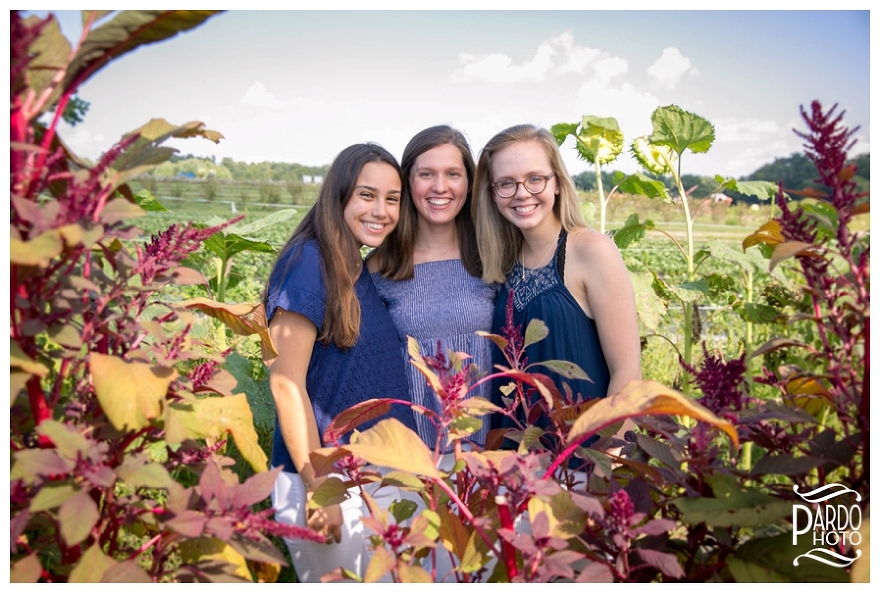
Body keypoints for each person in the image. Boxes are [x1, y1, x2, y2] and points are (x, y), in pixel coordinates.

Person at [264, 143, 419, 582]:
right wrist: (320, 487)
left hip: (367, 479)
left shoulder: (353, 264)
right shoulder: (308, 262)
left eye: (393, 199)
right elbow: (285, 382)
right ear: (339, 196)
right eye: (367, 195)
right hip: (329, 483)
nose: (382, 211)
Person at [472, 124, 641, 472]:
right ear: (492, 193)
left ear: (558, 183)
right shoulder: (504, 262)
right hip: (520, 465)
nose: (522, 193)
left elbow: (627, 372)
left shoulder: (590, 251)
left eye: (535, 178)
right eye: (507, 183)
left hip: (583, 462)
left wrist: (608, 466)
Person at [368, 125, 498, 454]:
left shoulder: (494, 258)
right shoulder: (380, 267)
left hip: (489, 447)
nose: (440, 187)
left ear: (469, 183)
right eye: (426, 173)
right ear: (408, 182)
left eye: (453, 174)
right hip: (413, 451)